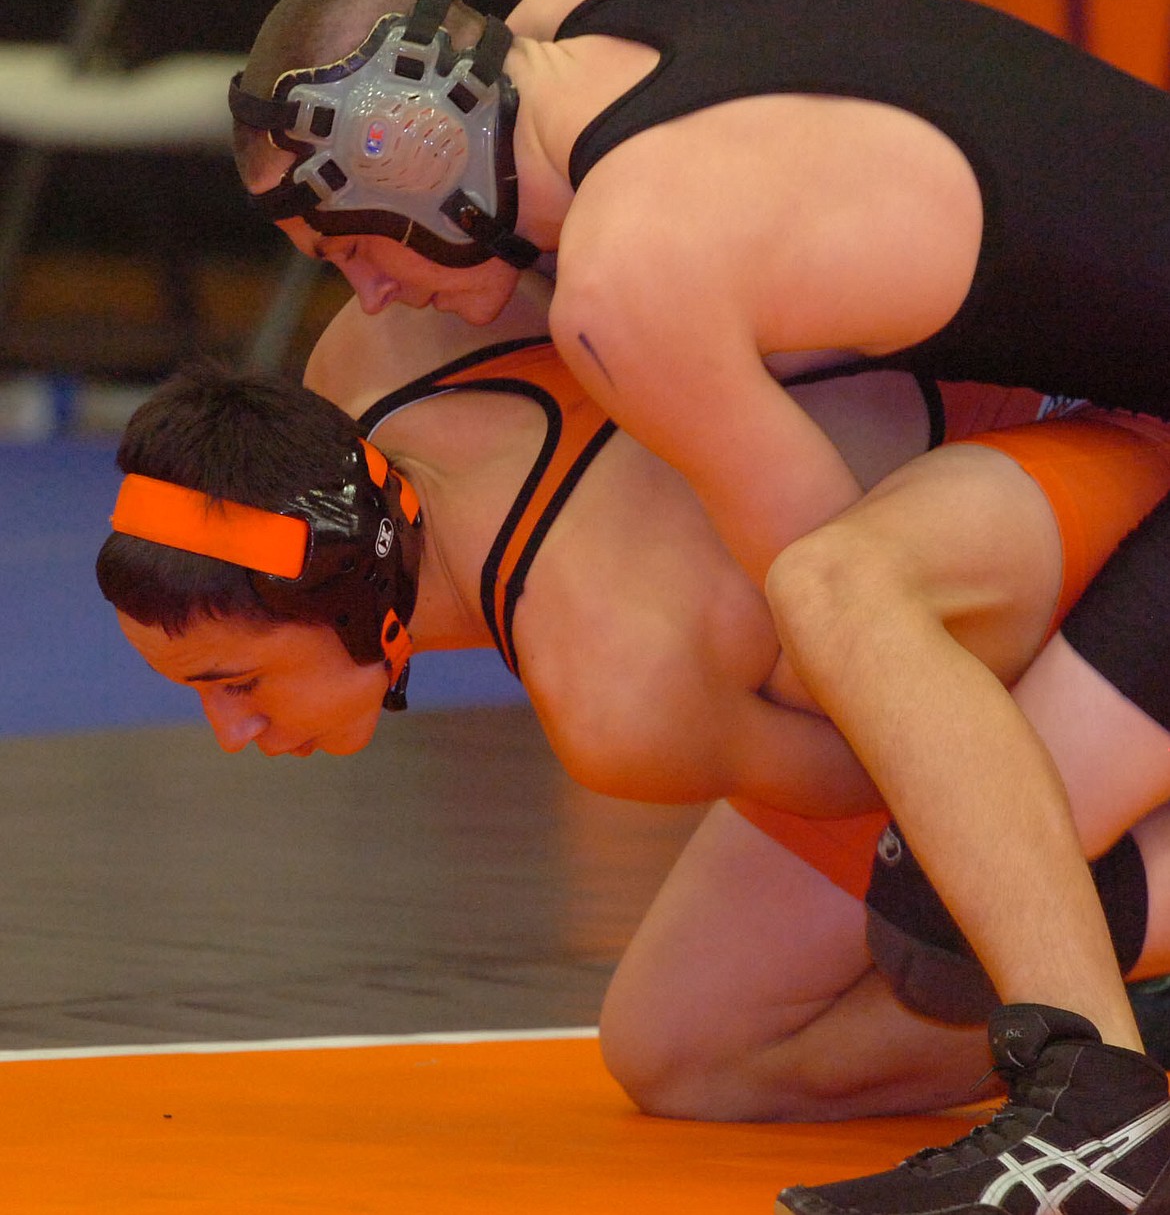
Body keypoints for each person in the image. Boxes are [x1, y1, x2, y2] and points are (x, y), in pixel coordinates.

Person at [225, 0, 1170, 1209]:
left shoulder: (626, 284)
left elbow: (839, 663)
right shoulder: (588, 11)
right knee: (720, 1021)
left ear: (422, 159)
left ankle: (1102, 1114)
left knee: (919, 811)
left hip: (1125, 436)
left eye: (354, 245)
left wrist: (622, 625)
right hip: (1118, 405)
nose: (374, 293)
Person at [98, 273, 1170, 1136]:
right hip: (984, 480)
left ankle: (1102, 1010)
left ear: (348, 603)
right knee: (684, 1051)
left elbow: (899, 775)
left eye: (234, 682)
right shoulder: (382, 347)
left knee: (940, 908)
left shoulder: (617, 688)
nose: (230, 731)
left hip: (1092, 469)